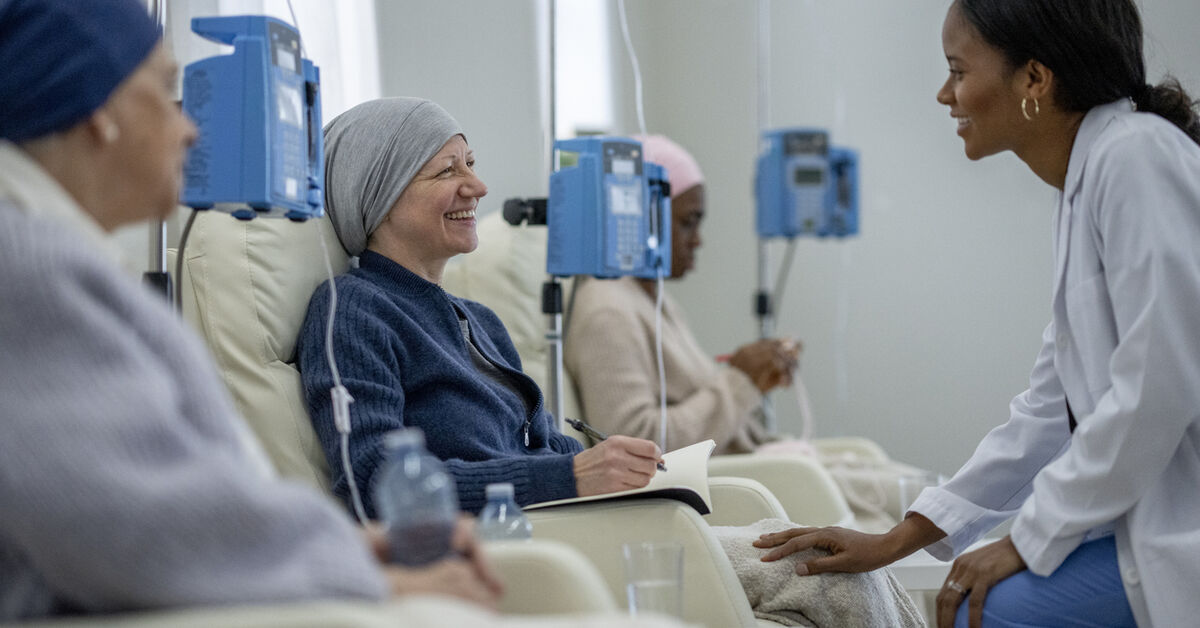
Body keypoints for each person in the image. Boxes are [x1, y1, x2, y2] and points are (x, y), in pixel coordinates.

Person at [0, 0, 505, 619]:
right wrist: (360, 575)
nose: (190, 129)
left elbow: (180, 505)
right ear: (98, 109)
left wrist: (349, 549)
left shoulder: (62, 261)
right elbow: (136, 533)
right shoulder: (29, 272)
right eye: (166, 92)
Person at [753, 1, 1200, 627]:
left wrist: (1026, 540)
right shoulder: (1090, 179)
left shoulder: (1134, 159)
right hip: (1152, 520)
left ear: (1034, 79)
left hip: (1180, 526)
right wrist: (895, 540)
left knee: (980, 610)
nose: (945, 94)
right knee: (973, 601)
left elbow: (1156, 390)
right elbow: (1048, 411)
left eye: (958, 71)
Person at [297, 97, 664, 517]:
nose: (478, 186)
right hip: (498, 546)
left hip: (555, 529)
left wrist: (624, 470)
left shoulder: (481, 321)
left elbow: (544, 446)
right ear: (378, 193)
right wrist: (570, 476)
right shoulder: (352, 312)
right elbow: (376, 483)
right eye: (447, 170)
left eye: (470, 164)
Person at [564, 134, 799, 455]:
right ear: (641, 215)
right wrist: (740, 381)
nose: (698, 240)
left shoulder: (651, 299)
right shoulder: (607, 309)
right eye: (688, 222)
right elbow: (632, 444)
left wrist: (755, 378)